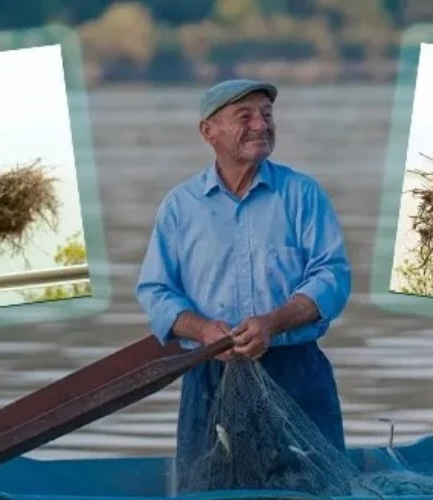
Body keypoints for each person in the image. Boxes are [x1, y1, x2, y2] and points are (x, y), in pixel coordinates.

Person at [134, 79, 352, 489]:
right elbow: (155, 292)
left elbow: (332, 277)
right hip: (209, 377)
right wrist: (202, 330)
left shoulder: (302, 194)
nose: (260, 125)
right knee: (212, 491)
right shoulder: (180, 207)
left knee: (316, 491)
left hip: (296, 370)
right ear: (208, 132)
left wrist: (272, 322)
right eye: (245, 116)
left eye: (267, 115)